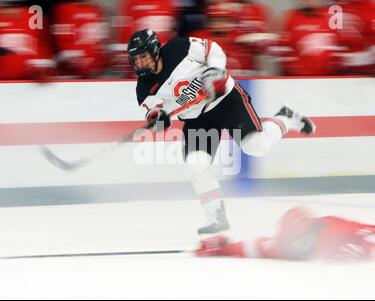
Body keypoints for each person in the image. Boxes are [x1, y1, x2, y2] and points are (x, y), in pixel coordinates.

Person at [127, 29, 316, 235]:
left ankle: (286, 117)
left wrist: (215, 70)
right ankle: (216, 216)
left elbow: (212, 50)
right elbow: (154, 113)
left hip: (226, 100)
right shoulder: (143, 89)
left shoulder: (179, 47)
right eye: (135, 59)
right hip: (197, 118)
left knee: (256, 146)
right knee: (196, 164)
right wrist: (159, 119)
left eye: (143, 57)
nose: (140, 63)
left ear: (155, 51)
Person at [195, 206, 375, 262]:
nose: (295, 246)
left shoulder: (335, 229)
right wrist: (221, 248)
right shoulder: (280, 246)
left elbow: (369, 231)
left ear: (311, 232)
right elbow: (250, 247)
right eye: (290, 241)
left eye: (299, 240)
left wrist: (364, 249)